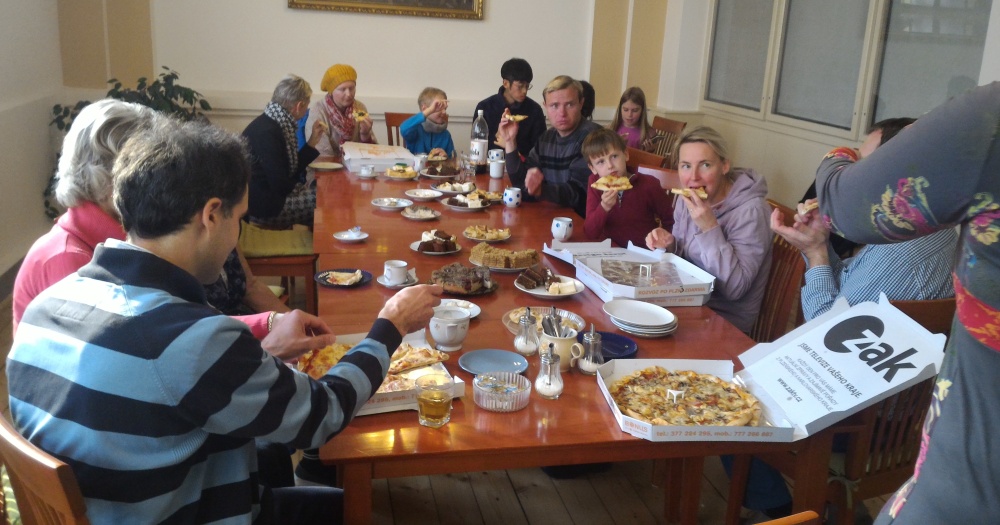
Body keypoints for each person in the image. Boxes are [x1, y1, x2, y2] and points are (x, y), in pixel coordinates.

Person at [8, 117, 443, 524]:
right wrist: (390, 326)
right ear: (211, 214)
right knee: (362, 511)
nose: (237, 234)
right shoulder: (192, 339)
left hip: (126, 508)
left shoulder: (44, 308)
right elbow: (322, 415)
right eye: (239, 219)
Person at [807, 82, 1000, 525]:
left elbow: (840, 202)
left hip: (964, 481)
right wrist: (818, 251)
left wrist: (843, 156)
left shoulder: (989, 122)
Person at [12, 100, 283, 339]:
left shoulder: (136, 231)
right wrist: (268, 325)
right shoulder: (68, 257)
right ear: (113, 176)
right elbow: (151, 338)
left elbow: (180, 320)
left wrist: (272, 323)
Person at [645, 126, 772, 333]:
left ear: (724, 166)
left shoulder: (752, 211)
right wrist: (670, 244)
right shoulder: (687, 197)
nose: (694, 177)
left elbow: (735, 289)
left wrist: (709, 227)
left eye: (705, 165)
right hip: (684, 300)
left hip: (723, 322)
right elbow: (684, 259)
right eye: (686, 166)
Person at [799, 117, 916, 259]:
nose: (852, 169)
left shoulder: (896, 233)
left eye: (863, 164)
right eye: (856, 156)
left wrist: (817, 250)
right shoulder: (838, 182)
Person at [501, 75, 603, 218]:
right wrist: (510, 141)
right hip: (553, 216)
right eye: (554, 106)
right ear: (545, 107)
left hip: (582, 222)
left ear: (581, 103)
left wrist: (541, 190)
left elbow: (579, 194)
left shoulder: (594, 138)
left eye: (569, 105)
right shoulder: (546, 138)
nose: (562, 113)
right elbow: (522, 185)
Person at [244, 74, 327, 229]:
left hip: (271, 198)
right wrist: (304, 189)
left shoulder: (273, 122)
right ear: (299, 106)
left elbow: (287, 171)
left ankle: (316, 240)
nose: (306, 110)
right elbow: (281, 184)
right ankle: (324, 243)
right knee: (325, 199)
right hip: (265, 208)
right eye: (306, 106)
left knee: (321, 193)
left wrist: (312, 142)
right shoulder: (268, 133)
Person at [583, 128, 674, 247]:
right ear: (592, 168)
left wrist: (663, 244)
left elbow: (672, 221)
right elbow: (590, 233)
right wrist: (604, 207)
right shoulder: (595, 183)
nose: (610, 166)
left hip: (643, 251)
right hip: (610, 250)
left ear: (625, 154)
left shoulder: (649, 184)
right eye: (601, 162)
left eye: (614, 156)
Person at [473, 57, 546, 157]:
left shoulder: (534, 110)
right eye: (520, 86)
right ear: (506, 83)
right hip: (489, 164)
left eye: (527, 86)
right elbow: (477, 148)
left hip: (524, 165)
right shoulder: (485, 107)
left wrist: (510, 144)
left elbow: (540, 151)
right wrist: (498, 136)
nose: (524, 91)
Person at [305, 63, 376, 157]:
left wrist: (365, 135)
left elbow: (372, 153)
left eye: (351, 88)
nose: (348, 94)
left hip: (356, 164)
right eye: (342, 89)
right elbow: (322, 156)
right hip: (327, 164)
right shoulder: (318, 111)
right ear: (331, 92)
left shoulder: (359, 108)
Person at [400, 87, 455, 158]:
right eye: (438, 108)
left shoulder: (446, 134)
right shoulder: (416, 131)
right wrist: (429, 110)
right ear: (425, 109)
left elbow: (453, 158)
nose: (444, 112)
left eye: (445, 109)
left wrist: (446, 157)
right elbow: (404, 129)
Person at [610, 86, 657, 151]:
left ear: (642, 111)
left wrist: (649, 151)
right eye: (625, 110)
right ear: (620, 109)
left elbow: (651, 157)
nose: (629, 115)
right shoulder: (612, 129)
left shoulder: (649, 133)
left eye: (635, 110)